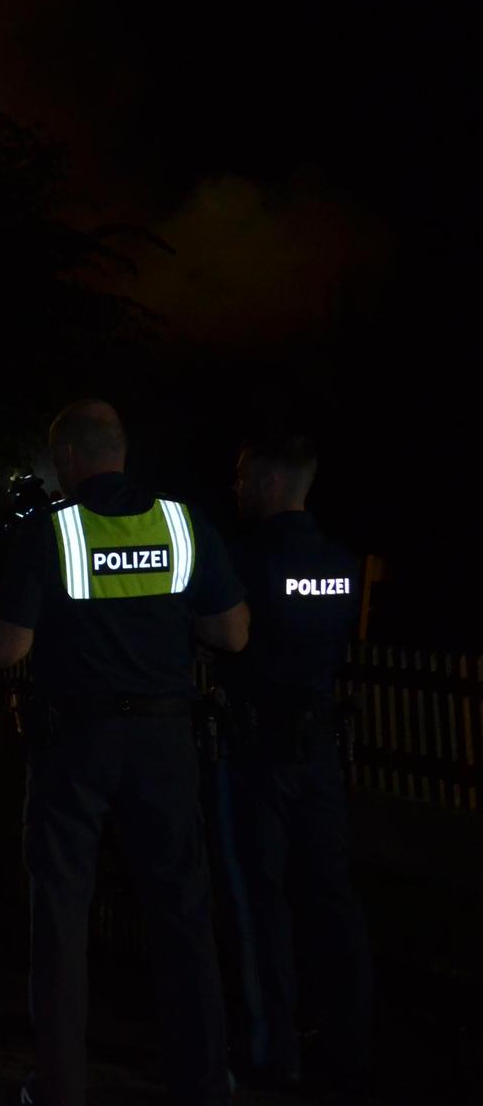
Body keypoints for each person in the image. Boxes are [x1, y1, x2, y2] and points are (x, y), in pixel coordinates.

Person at [0, 400, 249, 1106]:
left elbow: (8, 647)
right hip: (164, 743)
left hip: (75, 743)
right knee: (182, 911)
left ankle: (62, 1085)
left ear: (69, 458)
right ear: (121, 451)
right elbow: (233, 635)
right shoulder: (181, 524)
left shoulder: (51, 533)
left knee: (62, 914)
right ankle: (202, 1081)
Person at [212, 434, 372, 1096]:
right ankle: (351, 1047)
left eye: (245, 479)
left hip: (256, 756)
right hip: (321, 759)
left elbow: (223, 634)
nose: (237, 490)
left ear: (273, 483)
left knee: (257, 906)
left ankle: (269, 1054)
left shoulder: (243, 559)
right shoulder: (342, 561)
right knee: (332, 901)